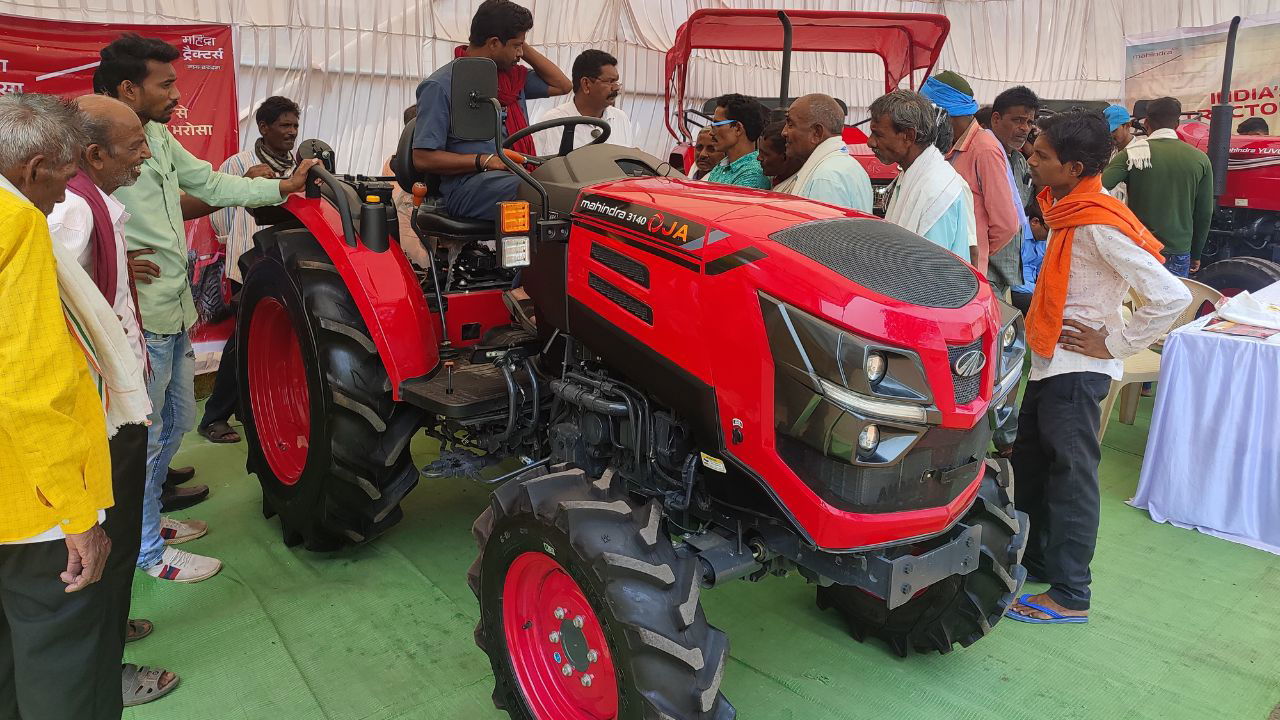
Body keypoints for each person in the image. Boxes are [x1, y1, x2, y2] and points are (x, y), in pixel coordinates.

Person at [98, 33, 319, 583]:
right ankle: (146, 551)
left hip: (171, 307)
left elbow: (206, 183)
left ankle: (151, 522)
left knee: (177, 422)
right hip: (139, 318)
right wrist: (113, 258)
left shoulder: (155, 137)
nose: (177, 95)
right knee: (145, 440)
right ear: (128, 87)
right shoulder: (93, 148)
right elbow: (73, 221)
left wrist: (283, 189)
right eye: (166, 83)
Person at [1006, 110, 1190, 626]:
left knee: (1071, 479)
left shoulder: (1096, 223)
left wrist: (1113, 343)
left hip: (1077, 369)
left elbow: (1170, 295)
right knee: (1035, 467)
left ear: (1075, 166)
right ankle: (1041, 563)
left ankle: (1070, 594)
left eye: (1042, 155)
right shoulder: (1071, 210)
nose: (1031, 158)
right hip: (1052, 362)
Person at [46, 94, 182, 710]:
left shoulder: (91, 205)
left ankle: (110, 630)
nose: (146, 156)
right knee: (107, 541)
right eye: (135, 147)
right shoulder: (71, 213)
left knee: (118, 537)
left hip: (113, 411)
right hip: (98, 420)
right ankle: (106, 667)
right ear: (93, 154)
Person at [0, 92, 115, 720]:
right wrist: (75, 514)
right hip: (30, 499)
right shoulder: (16, 225)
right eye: (66, 177)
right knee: (59, 655)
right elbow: (29, 384)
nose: (67, 195)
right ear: (32, 168)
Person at [197, 95, 302, 446]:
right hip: (249, 266)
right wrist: (235, 245)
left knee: (270, 342)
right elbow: (219, 211)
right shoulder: (239, 163)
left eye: (294, 125)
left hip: (288, 267)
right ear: (264, 127)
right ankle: (214, 417)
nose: (291, 132)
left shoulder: (299, 166)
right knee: (243, 341)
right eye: (284, 125)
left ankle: (251, 410)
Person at [412, 0, 571, 221]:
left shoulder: (513, 81)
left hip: (513, 174)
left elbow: (563, 85)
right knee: (545, 195)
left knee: (573, 189)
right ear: (494, 43)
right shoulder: (441, 85)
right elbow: (422, 158)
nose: (520, 53)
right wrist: (484, 160)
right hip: (467, 187)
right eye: (517, 46)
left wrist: (518, 41)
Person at [921, 71, 1019, 277]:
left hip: (964, 270)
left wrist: (974, 249)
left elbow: (1007, 224)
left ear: (942, 114)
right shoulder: (947, 144)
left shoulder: (983, 149)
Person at [1102, 96, 1212, 277]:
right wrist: (1196, 253)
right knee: (1173, 304)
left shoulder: (1131, 153)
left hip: (1140, 246)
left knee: (1136, 303)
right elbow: (1204, 213)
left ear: (1146, 123)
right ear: (1177, 123)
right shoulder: (1200, 158)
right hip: (1179, 251)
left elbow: (1099, 187)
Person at [867, 89, 976, 257]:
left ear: (908, 136)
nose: (870, 142)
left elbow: (930, 272)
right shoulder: (912, 175)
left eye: (878, 134)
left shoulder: (937, 190)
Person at [781, 93, 873, 211]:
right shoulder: (847, 165)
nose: (784, 132)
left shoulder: (825, 177)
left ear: (817, 133)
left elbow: (823, 229)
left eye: (790, 124)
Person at [532, 49, 633, 156]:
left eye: (616, 81)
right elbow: (536, 170)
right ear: (586, 84)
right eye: (610, 81)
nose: (616, 87)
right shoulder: (552, 123)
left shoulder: (621, 119)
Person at [383, 104, 431, 269]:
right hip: (407, 215)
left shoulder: (395, 159)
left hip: (410, 215)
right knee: (419, 263)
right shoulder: (401, 162)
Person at [705, 93, 771, 190]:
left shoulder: (753, 175)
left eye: (717, 125)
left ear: (738, 128)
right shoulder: (722, 166)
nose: (711, 133)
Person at [1010, 198, 1048, 315]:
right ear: (1035, 222)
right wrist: (1038, 290)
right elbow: (1011, 277)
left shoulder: (1044, 239)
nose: (1050, 235)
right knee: (1033, 302)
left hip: (1033, 285)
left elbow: (1041, 269)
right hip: (1016, 287)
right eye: (1048, 230)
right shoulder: (1016, 234)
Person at [757, 119, 803, 191]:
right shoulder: (776, 179)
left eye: (765, 154)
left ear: (785, 157)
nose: (758, 158)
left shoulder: (797, 190)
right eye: (759, 152)